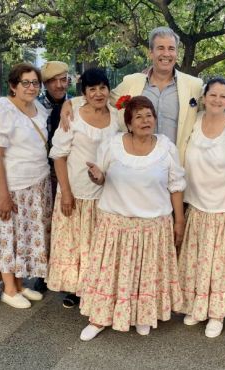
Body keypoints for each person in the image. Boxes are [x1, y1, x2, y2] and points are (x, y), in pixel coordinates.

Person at [79, 96, 185, 341]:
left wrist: (179, 221)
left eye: (149, 115)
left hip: (153, 226)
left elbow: (176, 186)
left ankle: (142, 316)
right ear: (128, 123)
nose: (145, 120)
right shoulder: (112, 145)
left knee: (145, 275)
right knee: (110, 275)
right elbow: (101, 177)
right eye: (138, 116)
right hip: (116, 224)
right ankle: (99, 318)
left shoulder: (166, 147)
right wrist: (96, 176)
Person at [177, 78, 225, 338]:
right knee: (199, 261)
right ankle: (197, 306)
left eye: (223, 96)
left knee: (221, 265)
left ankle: (216, 313)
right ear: (204, 96)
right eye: (213, 95)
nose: (218, 100)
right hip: (198, 205)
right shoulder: (194, 121)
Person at [62, 26, 203, 164]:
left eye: (171, 48)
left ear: (176, 53)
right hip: (137, 166)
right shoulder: (132, 82)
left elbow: (215, 105)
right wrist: (69, 103)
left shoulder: (194, 86)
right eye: (160, 48)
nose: (166, 53)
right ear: (151, 53)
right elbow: (103, 98)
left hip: (175, 165)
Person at [46, 68, 119, 308]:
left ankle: (98, 288)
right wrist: (66, 193)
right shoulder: (73, 116)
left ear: (109, 90)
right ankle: (77, 290)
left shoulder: (117, 116)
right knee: (76, 245)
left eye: (102, 88)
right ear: (84, 93)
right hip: (75, 192)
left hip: (106, 194)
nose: (98, 93)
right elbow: (58, 156)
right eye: (92, 89)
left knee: (99, 244)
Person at [0, 63, 52, 309]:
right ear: (13, 86)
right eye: (25, 83)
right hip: (12, 185)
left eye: (35, 83)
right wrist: (3, 195)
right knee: (8, 236)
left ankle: (20, 284)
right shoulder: (2, 110)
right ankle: (9, 288)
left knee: (26, 236)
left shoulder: (39, 108)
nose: (31, 87)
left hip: (37, 183)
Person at [34, 61, 71, 294]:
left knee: (66, 223)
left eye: (63, 79)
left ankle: (66, 272)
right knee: (44, 222)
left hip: (67, 171)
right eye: (53, 80)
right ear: (45, 84)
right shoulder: (35, 106)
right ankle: (42, 272)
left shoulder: (75, 103)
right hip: (42, 171)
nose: (59, 84)